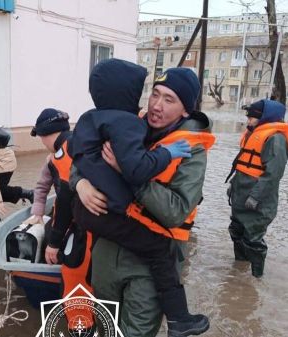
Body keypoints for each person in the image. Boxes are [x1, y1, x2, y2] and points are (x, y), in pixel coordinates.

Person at [69, 60, 212, 337]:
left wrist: (131, 175)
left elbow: (176, 212)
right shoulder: (126, 122)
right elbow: (81, 159)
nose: (157, 105)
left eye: (169, 99)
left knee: (136, 332)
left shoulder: (191, 151)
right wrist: (81, 184)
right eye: (155, 94)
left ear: (186, 109)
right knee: (107, 327)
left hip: (150, 263)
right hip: (107, 250)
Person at [24, 108, 94, 332]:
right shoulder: (80, 144)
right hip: (99, 222)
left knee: (75, 279)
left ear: (45, 134)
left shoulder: (62, 156)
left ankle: (81, 329)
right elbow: (44, 187)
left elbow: (64, 202)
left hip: (84, 227)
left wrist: (54, 242)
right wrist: (38, 210)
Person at [225, 99, 288, 278]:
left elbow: (273, 174)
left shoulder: (276, 139)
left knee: (253, 239)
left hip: (258, 201)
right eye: (248, 117)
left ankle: (256, 279)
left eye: (252, 118)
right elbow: (243, 166)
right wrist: (233, 185)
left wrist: (255, 197)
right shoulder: (253, 134)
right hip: (241, 195)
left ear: (264, 118)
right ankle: (239, 272)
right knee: (236, 231)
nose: (248, 121)